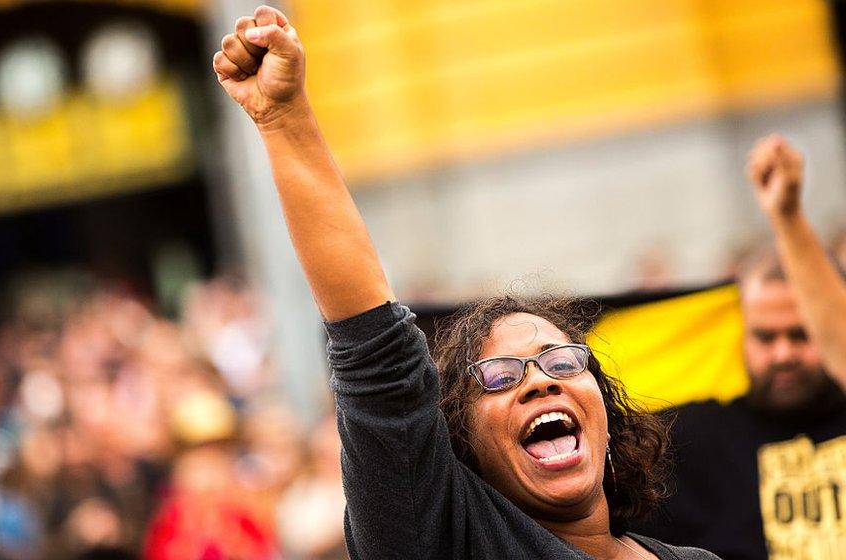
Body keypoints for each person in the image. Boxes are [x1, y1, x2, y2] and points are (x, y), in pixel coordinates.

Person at [213, 6, 719, 558]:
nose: (540, 381)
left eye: (564, 361)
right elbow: (379, 360)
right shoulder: (449, 541)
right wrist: (284, 119)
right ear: (464, 452)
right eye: (498, 376)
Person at [634, 136, 846, 559]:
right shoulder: (692, 441)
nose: (782, 353)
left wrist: (787, 219)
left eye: (801, 334)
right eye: (765, 337)